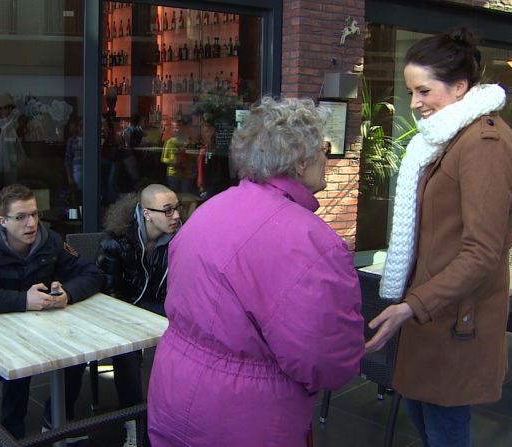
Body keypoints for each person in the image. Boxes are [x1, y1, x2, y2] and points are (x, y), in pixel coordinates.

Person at [147, 97, 365, 446]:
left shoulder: (209, 209)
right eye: (322, 149)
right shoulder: (310, 241)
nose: (327, 158)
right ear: (300, 161)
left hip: (173, 393)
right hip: (245, 420)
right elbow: (327, 359)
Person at [365, 28, 512, 447]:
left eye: (423, 91)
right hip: (432, 310)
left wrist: (412, 305)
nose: (415, 103)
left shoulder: (482, 143)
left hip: (454, 316)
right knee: (424, 414)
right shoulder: (447, 138)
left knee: (444, 429)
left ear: (459, 87)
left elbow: (482, 251)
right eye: (411, 92)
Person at [0, 183, 106, 440]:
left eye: (34, 214)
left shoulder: (50, 240)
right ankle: (12, 436)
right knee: (18, 364)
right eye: (20, 217)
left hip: (44, 326)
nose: (31, 223)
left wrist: (67, 292)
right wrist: (23, 300)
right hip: (0, 329)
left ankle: (56, 417)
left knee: (78, 353)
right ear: (2, 220)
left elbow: (92, 273)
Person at [97, 184, 181, 447]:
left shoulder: (180, 239)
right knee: (127, 350)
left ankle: (180, 413)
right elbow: (110, 292)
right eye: (167, 211)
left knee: (189, 334)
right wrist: (136, 323)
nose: (176, 216)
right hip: (122, 307)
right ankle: (133, 421)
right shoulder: (117, 240)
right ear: (146, 213)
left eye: (177, 208)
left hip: (158, 305)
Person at [160, 119, 193, 194]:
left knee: (185, 196)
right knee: (174, 196)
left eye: (178, 127)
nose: (176, 129)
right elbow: (163, 158)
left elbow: (193, 158)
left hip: (186, 174)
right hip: (173, 174)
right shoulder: (169, 142)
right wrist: (173, 161)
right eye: (174, 127)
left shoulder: (189, 142)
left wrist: (186, 155)